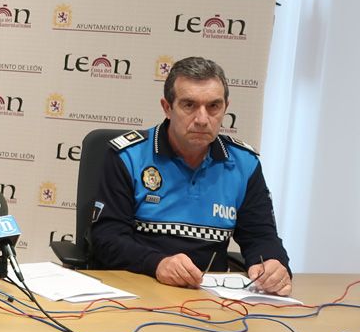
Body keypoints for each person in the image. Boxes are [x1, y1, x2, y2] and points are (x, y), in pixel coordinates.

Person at [90, 56, 292, 295]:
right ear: (167, 108)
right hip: (138, 288)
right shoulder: (128, 157)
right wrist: (157, 263)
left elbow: (261, 235)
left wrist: (272, 264)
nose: (202, 119)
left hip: (208, 297)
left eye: (213, 106)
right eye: (189, 105)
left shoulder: (244, 164)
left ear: (226, 107)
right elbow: (106, 238)